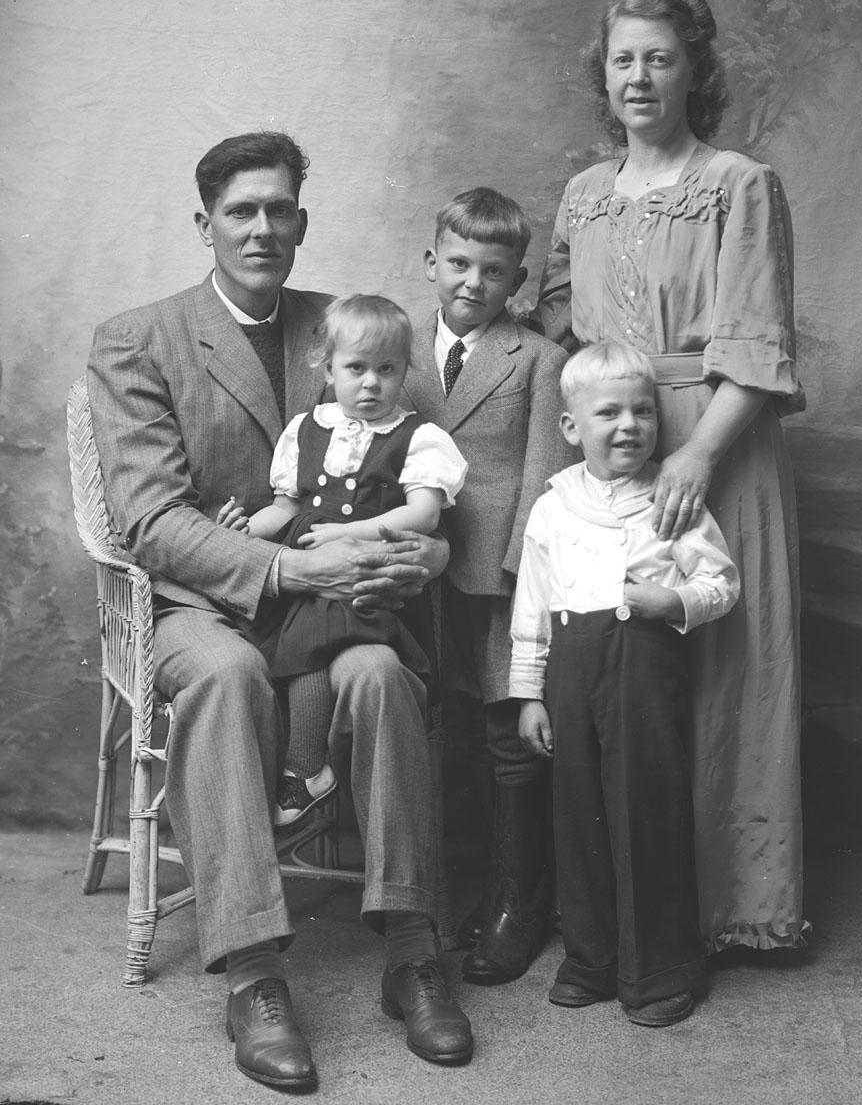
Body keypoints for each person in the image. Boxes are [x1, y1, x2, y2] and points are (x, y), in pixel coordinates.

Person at [85, 132, 474, 1092]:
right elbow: (150, 520)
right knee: (227, 675)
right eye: (240, 211)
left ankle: (411, 950)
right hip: (201, 604)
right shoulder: (138, 340)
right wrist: (294, 568)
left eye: (278, 210)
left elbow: (413, 471)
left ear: (301, 221)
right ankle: (254, 973)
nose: (261, 228)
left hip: (336, 609)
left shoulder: (342, 327)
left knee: (379, 674)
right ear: (205, 224)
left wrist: (418, 556)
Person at [534, 0, 811, 955]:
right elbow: (557, 334)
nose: (639, 77)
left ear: (695, 71)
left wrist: (694, 452)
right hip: (612, 444)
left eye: (659, 57)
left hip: (715, 440)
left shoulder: (739, 183)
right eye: (623, 59)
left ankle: (731, 909)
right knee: (624, 665)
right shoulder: (581, 195)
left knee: (722, 669)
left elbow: (760, 342)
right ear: (602, 78)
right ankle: (629, 913)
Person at [511, 341, 740, 1025]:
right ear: (570, 426)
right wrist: (528, 694)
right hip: (570, 670)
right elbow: (532, 604)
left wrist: (673, 602)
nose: (629, 426)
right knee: (577, 810)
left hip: (642, 665)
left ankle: (661, 970)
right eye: (608, 412)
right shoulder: (553, 506)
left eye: (643, 412)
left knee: (647, 809)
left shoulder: (670, 500)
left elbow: (721, 581)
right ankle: (592, 957)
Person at [401, 187, 572, 986]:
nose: (472, 282)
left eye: (492, 271)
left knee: (508, 733)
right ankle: (471, 888)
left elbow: (543, 479)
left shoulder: (536, 360)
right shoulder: (396, 349)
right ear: (431, 262)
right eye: (459, 263)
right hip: (416, 572)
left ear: (517, 280)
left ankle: (518, 904)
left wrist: (520, 579)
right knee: (451, 726)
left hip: (498, 576)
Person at [217, 292, 467, 831]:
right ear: (328, 369)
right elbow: (286, 508)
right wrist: (240, 533)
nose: (371, 383)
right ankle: (304, 767)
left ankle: (305, 768)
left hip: (370, 580)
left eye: (387, 369)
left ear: (405, 372)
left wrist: (347, 533)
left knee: (310, 640)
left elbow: (423, 514)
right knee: (301, 643)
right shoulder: (307, 429)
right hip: (311, 580)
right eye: (356, 368)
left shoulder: (418, 438)